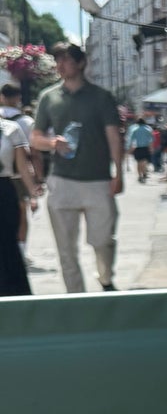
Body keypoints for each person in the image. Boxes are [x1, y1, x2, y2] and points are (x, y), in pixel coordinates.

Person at [29, 42, 124, 293]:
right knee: (65, 249)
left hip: (97, 179)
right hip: (62, 181)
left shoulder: (101, 97)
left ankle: (105, 278)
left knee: (103, 241)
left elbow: (114, 136)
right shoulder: (49, 98)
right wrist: (51, 142)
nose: (60, 65)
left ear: (81, 63)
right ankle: (76, 297)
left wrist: (119, 172)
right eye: (57, 60)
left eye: (66, 59)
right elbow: (35, 138)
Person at [0, 106, 40, 295]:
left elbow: (23, 166)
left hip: (4, 190)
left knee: (8, 243)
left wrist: (33, 192)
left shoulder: (11, 129)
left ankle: (14, 294)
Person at [0, 81, 34, 254]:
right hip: (15, 178)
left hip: (7, 181)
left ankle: (17, 251)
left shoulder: (9, 126)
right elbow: (33, 151)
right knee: (22, 212)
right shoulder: (26, 121)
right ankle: (20, 249)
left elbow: (24, 160)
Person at [127, 114, 155, 183]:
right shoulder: (148, 129)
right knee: (145, 161)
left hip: (137, 148)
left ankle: (140, 176)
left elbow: (131, 140)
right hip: (145, 148)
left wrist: (129, 149)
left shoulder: (134, 129)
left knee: (138, 162)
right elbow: (151, 140)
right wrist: (151, 148)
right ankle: (144, 172)